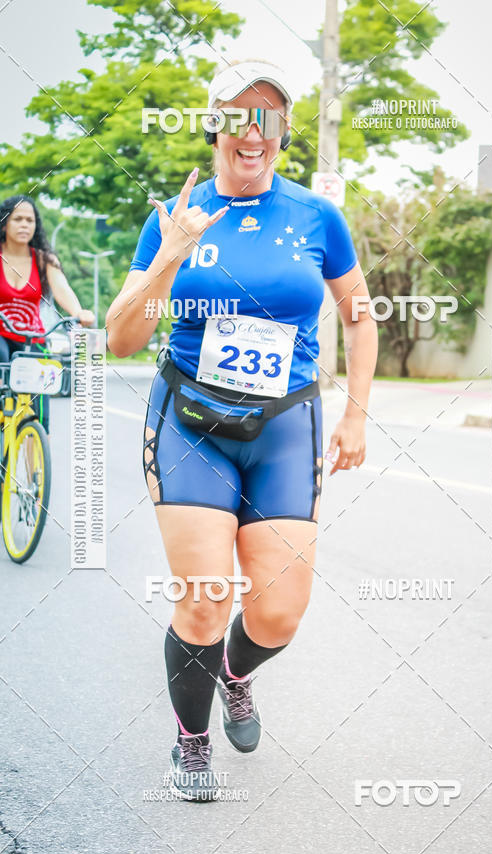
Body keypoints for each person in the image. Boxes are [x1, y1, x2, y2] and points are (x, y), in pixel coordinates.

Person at [106, 59, 378, 801]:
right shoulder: (175, 216)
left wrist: (355, 411)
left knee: (281, 609)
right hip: (191, 421)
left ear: (283, 133)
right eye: (236, 114)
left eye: (267, 116)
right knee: (202, 598)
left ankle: (235, 675)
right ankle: (190, 743)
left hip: (285, 422)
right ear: (214, 125)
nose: (251, 130)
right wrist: (168, 256)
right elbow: (120, 339)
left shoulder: (316, 215)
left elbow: (358, 313)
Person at [0, 195, 95, 432]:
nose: (24, 225)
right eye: (17, 219)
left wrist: (78, 311)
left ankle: (37, 465)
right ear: (4, 223)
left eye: (29, 220)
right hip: (1, 335)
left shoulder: (44, 261)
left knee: (40, 411)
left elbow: (63, 290)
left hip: (32, 337)